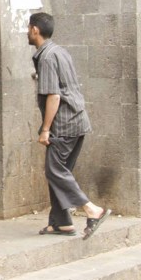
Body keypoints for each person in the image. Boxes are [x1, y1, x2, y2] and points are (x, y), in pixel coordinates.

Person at [27, 12, 111, 239]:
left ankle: (92, 210)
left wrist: (45, 129)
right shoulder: (59, 51)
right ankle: (61, 222)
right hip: (78, 120)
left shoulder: (46, 57)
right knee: (60, 172)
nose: (27, 32)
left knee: (55, 171)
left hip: (63, 125)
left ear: (35, 29)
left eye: (28, 28)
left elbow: (53, 96)